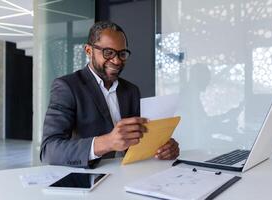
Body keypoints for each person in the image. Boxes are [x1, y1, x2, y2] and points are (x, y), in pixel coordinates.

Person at [40, 21, 179, 168]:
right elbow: (49, 150)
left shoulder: (131, 90)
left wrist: (163, 147)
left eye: (122, 54)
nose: (116, 60)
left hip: (128, 174)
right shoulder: (67, 87)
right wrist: (107, 142)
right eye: (108, 53)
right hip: (89, 178)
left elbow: (139, 139)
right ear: (89, 50)